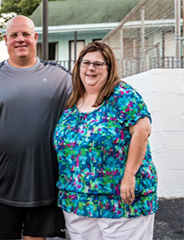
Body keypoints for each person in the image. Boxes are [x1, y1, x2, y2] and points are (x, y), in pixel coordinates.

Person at [0, 16, 71, 239]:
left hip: (44, 185)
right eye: (14, 35)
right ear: (6, 40)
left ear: (35, 38)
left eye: (25, 34)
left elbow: (89, 105)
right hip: (2, 185)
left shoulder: (61, 78)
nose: (20, 39)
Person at [53, 41, 157, 239]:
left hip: (121, 200)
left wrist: (129, 175)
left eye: (98, 64)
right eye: (86, 63)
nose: (91, 68)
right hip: (79, 202)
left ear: (109, 68)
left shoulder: (121, 94)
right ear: (78, 67)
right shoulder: (73, 100)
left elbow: (142, 131)